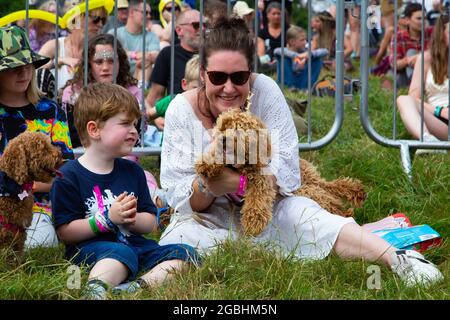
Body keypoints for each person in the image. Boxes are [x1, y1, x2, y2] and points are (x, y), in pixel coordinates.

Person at [157, 17, 443, 288]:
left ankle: (400, 259)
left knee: (308, 215)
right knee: (182, 238)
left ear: (251, 74)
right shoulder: (180, 110)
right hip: (206, 215)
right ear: (203, 75)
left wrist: (240, 183)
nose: (229, 88)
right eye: (218, 77)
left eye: (240, 76)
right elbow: (179, 195)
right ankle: (129, 285)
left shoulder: (265, 91)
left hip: (267, 204)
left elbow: (287, 169)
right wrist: (208, 186)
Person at [50, 83, 198, 299]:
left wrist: (131, 219)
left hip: (136, 245)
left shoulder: (133, 171)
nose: (134, 132)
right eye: (125, 124)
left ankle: (134, 288)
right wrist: (106, 220)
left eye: (135, 124)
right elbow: (66, 232)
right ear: (94, 129)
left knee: (185, 254)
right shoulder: (69, 175)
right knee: (120, 253)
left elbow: (151, 222)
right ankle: (95, 290)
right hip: (92, 251)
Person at [0, 26, 73, 248]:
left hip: (36, 207)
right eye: (14, 67)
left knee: (38, 243)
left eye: (27, 65)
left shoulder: (50, 111)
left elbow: (64, 169)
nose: (23, 73)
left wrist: (17, 184)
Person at [61, 33, 141, 149]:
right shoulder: (73, 93)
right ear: (89, 64)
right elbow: (70, 137)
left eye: (111, 61)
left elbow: (136, 140)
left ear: (120, 62)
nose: (105, 68)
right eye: (98, 62)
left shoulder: (133, 93)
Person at [397, 14, 449, 154]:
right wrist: (439, 111)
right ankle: (428, 141)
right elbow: (414, 98)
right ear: (442, 35)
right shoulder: (426, 59)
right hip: (439, 118)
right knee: (403, 100)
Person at [145, 9, 202, 129]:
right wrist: (158, 119)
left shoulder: (213, 55)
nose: (202, 29)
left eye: (205, 25)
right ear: (179, 30)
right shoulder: (168, 54)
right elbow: (154, 98)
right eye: (196, 25)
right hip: (178, 125)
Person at [39, 1, 108, 90]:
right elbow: (32, 71)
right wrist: (59, 61)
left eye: (103, 20)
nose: (100, 24)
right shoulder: (54, 46)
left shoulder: (98, 49)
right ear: (77, 19)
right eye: (96, 19)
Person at [108, 0, 160, 88]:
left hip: (140, 72)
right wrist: (135, 55)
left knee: (145, 61)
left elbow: (155, 55)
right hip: (119, 75)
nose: (149, 16)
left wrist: (146, 56)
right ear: (132, 12)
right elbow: (110, 53)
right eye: (145, 13)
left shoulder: (152, 36)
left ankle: (141, 91)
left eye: (149, 13)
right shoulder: (114, 33)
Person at [389, 2, 433, 87]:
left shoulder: (432, 32)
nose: (423, 22)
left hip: (429, 72)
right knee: (411, 52)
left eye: (424, 18)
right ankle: (417, 86)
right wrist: (409, 60)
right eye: (419, 19)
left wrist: (420, 57)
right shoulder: (399, 37)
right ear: (407, 20)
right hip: (406, 76)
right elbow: (394, 64)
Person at [146, 54, 200, 121]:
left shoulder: (211, 107)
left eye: (205, 88)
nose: (200, 93)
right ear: (184, 84)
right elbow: (148, 115)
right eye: (195, 88)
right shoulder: (172, 100)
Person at [274, 25, 328, 90]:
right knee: (283, 58)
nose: (305, 42)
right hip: (287, 81)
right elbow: (276, 51)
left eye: (305, 39)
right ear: (292, 42)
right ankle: (289, 87)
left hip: (302, 81)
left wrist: (309, 54)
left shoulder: (305, 51)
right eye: (302, 40)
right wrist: (297, 56)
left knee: (317, 60)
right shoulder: (285, 51)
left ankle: (307, 87)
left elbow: (325, 51)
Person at [257, 1, 289, 70]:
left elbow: (292, 50)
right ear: (267, 15)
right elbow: (261, 54)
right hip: (267, 63)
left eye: (279, 14)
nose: (276, 16)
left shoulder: (288, 30)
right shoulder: (262, 32)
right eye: (273, 14)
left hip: (285, 61)